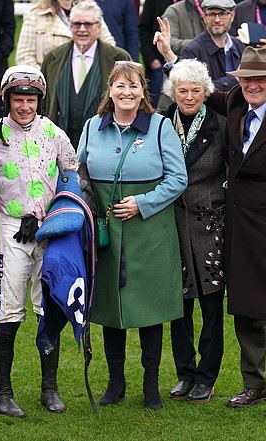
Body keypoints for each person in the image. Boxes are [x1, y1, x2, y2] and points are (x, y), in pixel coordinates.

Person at [155, 24, 266, 419]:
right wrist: (169, 56)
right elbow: (195, 90)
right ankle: (254, 384)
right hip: (235, 224)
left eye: (259, 79)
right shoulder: (234, 103)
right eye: (246, 79)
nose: (252, 85)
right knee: (246, 306)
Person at [77, 61, 187, 410]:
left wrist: (143, 203)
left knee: (149, 308)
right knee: (111, 306)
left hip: (150, 232)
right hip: (107, 231)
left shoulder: (159, 128)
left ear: (143, 92)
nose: (127, 92)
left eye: (134, 86)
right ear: (109, 91)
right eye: (120, 86)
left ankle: (151, 383)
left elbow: (178, 178)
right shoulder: (93, 127)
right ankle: (115, 381)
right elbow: (77, 171)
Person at [0, 65, 78, 417]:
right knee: (9, 309)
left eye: (30, 100)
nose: (24, 106)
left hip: (49, 228)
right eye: (17, 99)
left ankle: (50, 389)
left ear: (39, 100)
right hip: (12, 227)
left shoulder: (53, 132)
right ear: (7, 99)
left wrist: (59, 217)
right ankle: (2, 393)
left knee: (49, 307)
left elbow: (71, 175)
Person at [161, 59, 227, 403]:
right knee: (179, 306)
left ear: (206, 92)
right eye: (182, 90)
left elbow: (237, 169)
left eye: (195, 91)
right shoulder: (160, 125)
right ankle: (185, 374)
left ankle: (207, 376)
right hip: (172, 223)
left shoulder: (220, 124)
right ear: (174, 92)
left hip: (210, 224)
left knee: (212, 307)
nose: (188, 97)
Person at [41, 0, 131, 147]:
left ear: (99, 27)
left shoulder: (119, 59)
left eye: (88, 24)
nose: (82, 29)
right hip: (58, 146)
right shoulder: (53, 58)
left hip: (104, 146)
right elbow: (43, 104)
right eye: (76, 24)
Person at [15, 0, 115, 70]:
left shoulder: (90, 10)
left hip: (90, 80)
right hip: (50, 87)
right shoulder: (35, 14)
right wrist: (46, 78)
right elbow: (24, 56)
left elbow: (109, 46)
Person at [179, 0, 244, 92]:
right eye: (212, 14)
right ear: (204, 17)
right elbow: (192, 90)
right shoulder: (192, 50)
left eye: (222, 14)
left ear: (232, 16)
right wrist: (233, 79)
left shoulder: (239, 45)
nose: (217, 20)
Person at [138, 0, 174, 107]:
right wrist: (150, 59)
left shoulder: (190, 3)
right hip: (158, 63)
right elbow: (143, 28)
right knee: (154, 106)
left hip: (180, 62)